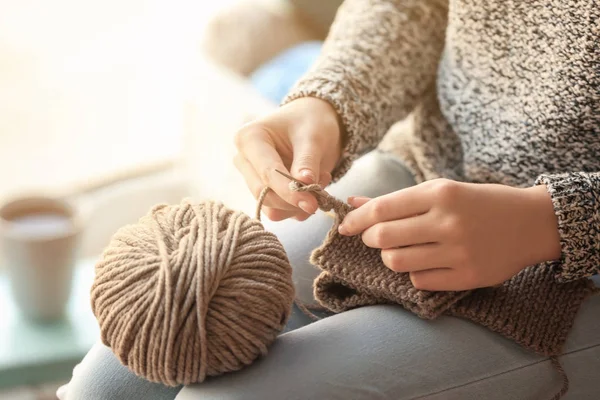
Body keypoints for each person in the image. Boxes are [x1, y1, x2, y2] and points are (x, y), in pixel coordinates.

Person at [58, 0, 600, 399]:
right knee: (106, 386)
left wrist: (557, 221)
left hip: (575, 265)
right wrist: (330, 102)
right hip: (419, 170)